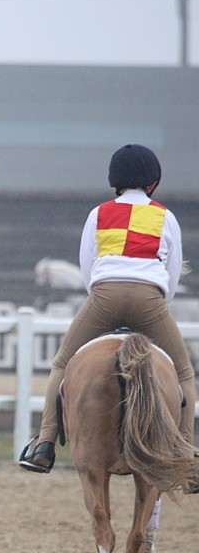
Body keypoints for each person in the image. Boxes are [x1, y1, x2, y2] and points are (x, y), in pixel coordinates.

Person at [19, 144, 196, 480]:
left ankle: (44, 443)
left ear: (115, 180)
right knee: (185, 373)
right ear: (153, 182)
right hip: (150, 299)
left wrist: (101, 297)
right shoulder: (165, 216)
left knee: (62, 363)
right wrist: (158, 301)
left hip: (103, 295)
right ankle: (185, 453)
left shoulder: (98, 214)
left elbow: (88, 266)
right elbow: (172, 272)